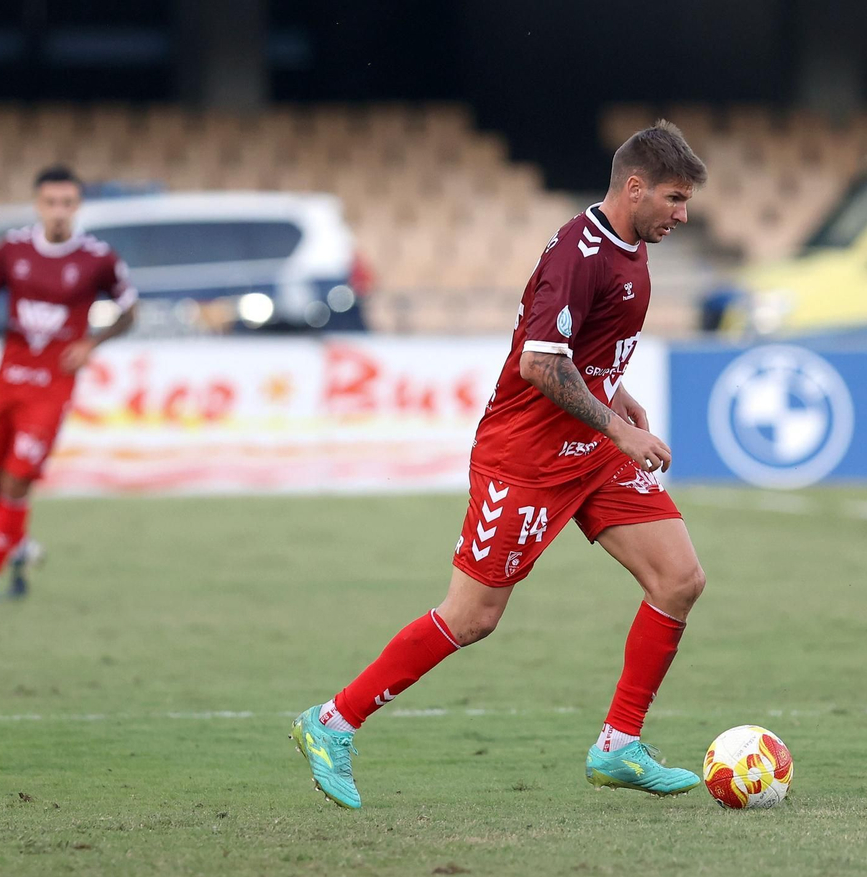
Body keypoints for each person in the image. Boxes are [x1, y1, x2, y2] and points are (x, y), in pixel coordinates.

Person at [291, 122, 708, 809]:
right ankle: (330, 721)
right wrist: (618, 428)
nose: (682, 214)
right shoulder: (581, 251)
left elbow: (582, 347)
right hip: (527, 459)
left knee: (679, 579)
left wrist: (618, 397)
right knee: (473, 616)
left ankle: (618, 745)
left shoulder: (631, 245)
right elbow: (538, 362)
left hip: (591, 450)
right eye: (673, 197)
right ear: (634, 188)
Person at [0, 164, 137, 603]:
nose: (58, 211)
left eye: (67, 203)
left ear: (77, 206)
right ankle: (18, 544)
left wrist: (93, 343)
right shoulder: (12, 249)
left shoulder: (98, 259)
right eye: (50, 203)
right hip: (8, 379)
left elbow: (130, 309)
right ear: (38, 205)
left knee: (17, 481)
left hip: (52, 385)